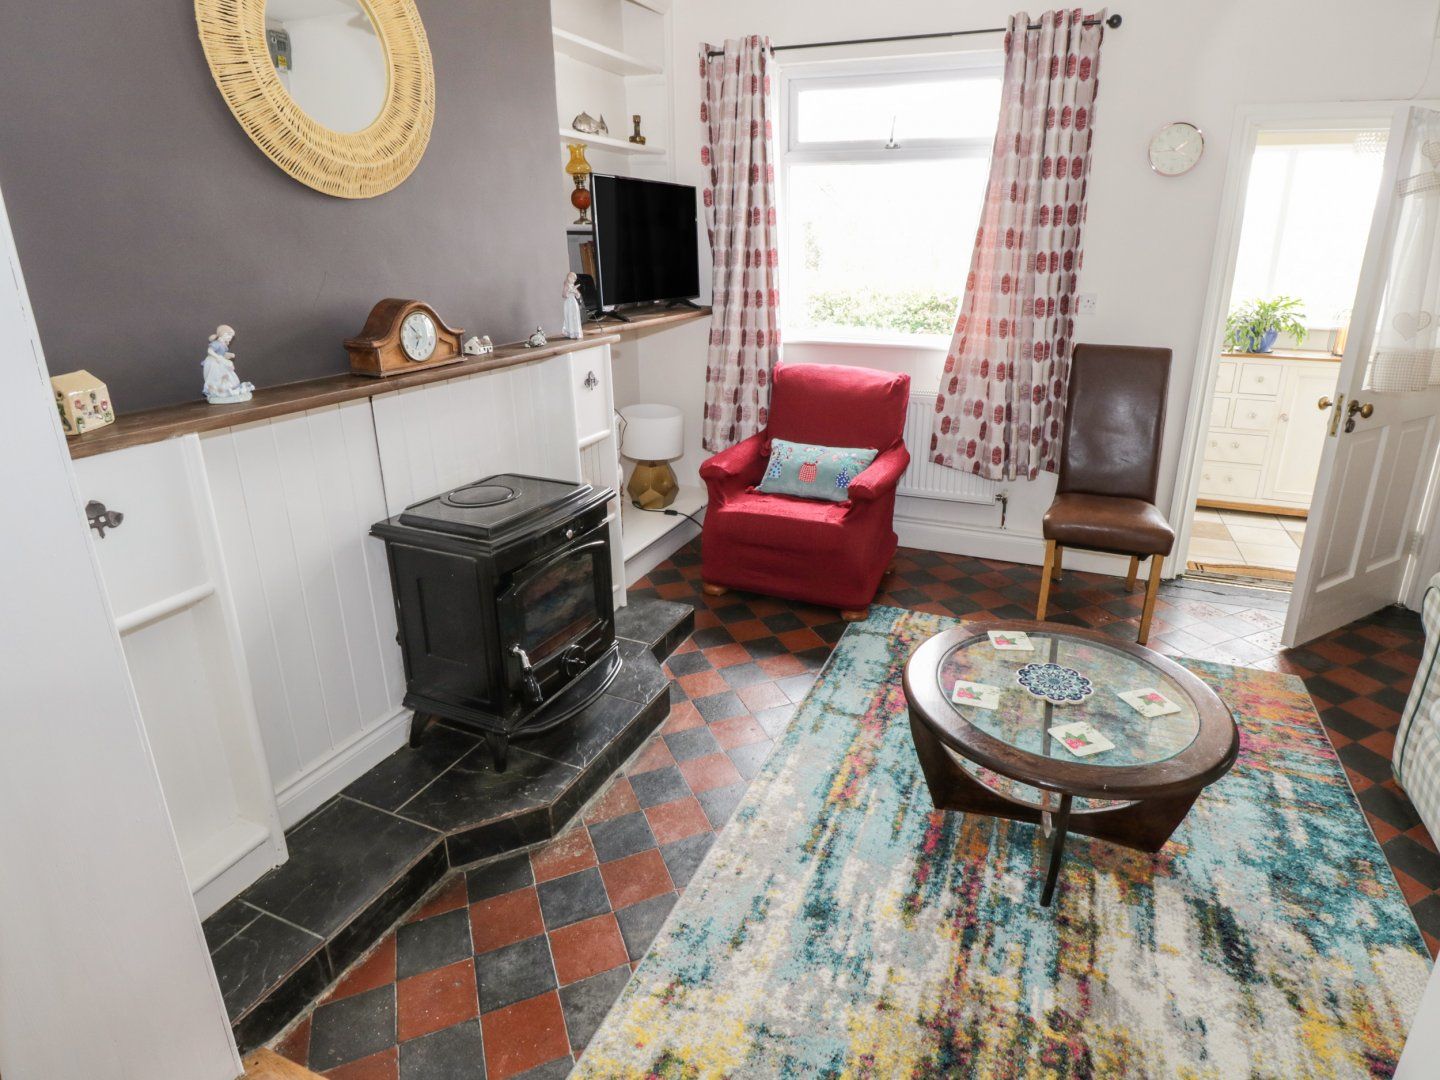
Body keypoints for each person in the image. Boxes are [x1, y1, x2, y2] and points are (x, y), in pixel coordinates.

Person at [203, 324, 255, 404]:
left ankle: (227, 390)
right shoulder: (216, 343)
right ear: (222, 334)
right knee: (218, 377)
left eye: (231, 336)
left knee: (228, 376)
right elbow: (209, 351)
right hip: (214, 363)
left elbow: (221, 353)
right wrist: (218, 357)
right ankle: (219, 391)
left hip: (220, 362)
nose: (230, 337)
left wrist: (228, 355)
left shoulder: (223, 344)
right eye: (229, 335)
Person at [561, 272, 584, 340]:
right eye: (570, 277)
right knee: (569, 317)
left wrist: (575, 292)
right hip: (568, 303)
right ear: (568, 277)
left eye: (574, 279)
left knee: (575, 317)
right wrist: (569, 291)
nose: (572, 279)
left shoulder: (573, 286)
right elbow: (564, 295)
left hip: (573, 303)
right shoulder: (566, 285)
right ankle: (570, 332)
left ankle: (576, 332)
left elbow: (578, 295)